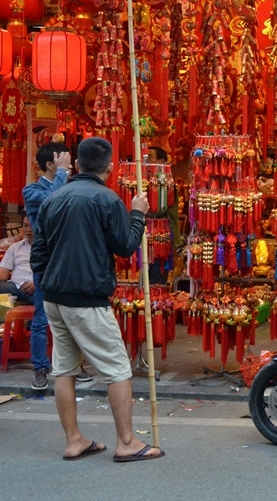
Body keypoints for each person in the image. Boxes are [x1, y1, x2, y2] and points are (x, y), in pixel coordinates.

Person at [31, 137, 165, 462]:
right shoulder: (108, 199)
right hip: (86, 297)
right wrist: (137, 213)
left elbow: (39, 253)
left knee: (64, 368)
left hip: (54, 296)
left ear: (77, 165)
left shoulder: (53, 199)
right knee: (117, 368)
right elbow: (126, 246)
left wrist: (50, 282)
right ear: (110, 167)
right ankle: (127, 442)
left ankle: (74, 440)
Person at [23, 141, 87, 390]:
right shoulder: (32, 191)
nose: (68, 166)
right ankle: (40, 368)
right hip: (47, 260)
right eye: (63, 161)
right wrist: (62, 174)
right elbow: (54, 202)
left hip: (69, 257)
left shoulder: (69, 184)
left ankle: (73, 366)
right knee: (42, 317)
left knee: (73, 315)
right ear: (49, 164)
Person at [145, 147, 181, 285]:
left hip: (160, 235)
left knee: (157, 275)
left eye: (150, 157)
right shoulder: (146, 179)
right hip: (146, 234)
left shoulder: (167, 184)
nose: (147, 161)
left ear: (160, 161)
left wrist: (175, 240)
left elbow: (168, 212)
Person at [0, 215, 35, 303]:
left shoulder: (49, 248)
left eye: (32, 225)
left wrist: (38, 283)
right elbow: (3, 275)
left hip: (38, 288)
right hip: (15, 286)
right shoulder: (15, 247)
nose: (28, 230)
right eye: (25, 225)